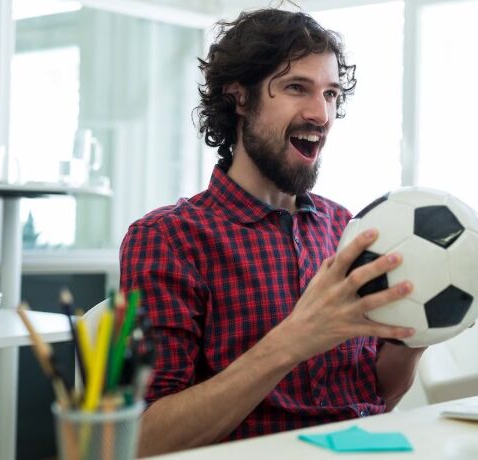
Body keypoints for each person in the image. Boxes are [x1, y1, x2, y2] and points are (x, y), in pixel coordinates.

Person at [119, 8, 425, 457]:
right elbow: (143, 440)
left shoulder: (349, 229)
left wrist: (415, 340)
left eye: (332, 94)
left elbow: (376, 397)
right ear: (239, 97)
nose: (321, 114)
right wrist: (294, 340)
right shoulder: (168, 239)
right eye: (296, 88)